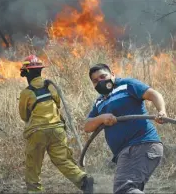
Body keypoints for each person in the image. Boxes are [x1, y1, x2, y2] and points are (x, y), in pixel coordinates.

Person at [84, 63, 166, 194]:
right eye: (95, 81)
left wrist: (161, 111)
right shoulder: (99, 102)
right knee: (128, 190)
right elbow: (87, 126)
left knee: (124, 189)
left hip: (141, 145)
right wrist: (101, 118)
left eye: (103, 77)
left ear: (112, 75)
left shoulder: (126, 85)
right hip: (125, 152)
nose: (100, 82)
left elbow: (153, 94)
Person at [18, 55, 94, 193]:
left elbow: (24, 116)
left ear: (26, 72)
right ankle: (83, 180)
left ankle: (34, 191)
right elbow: (58, 104)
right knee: (62, 159)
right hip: (57, 130)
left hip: (37, 132)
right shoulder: (51, 87)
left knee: (33, 165)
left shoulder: (26, 93)